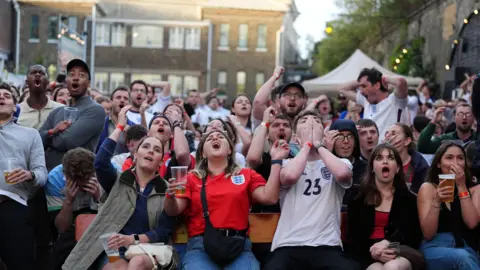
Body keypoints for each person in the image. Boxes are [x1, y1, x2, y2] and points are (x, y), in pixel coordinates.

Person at [163, 129, 289, 269]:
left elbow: (270, 198)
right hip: (201, 247)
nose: (215, 138)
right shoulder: (191, 178)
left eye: (220, 137)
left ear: (230, 150)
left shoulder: (247, 174)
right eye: (209, 138)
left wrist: (276, 160)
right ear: (203, 153)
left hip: (238, 246)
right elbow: (173, 210)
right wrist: (170, 196)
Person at [264, 110, 360, 270]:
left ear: (324, 133)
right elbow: (289, 177)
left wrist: (319, 145)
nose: (310, 124)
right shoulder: (286, 163)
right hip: (288, 245)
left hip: (327, 245)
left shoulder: (340, 161)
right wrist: (307, 145)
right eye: (304, 121)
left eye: (316, 121)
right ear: (295, 137)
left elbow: (343, 174)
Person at [64, 136, 176, 270]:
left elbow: (163, 231)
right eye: (146, 147)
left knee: (137, 263)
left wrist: (132, 239)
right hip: (114, 251)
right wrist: (120, 126)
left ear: (161, 162)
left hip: (148, 249)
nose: (150, 151)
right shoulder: (117, 180)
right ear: (135, 155)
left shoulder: (166, 190)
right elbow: (100, 163)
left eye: (157, 150)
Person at [347, 143, 423, 270]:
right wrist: (376, 252)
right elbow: (355, 238)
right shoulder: (358, 196)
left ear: (398, 168)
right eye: (379, 158)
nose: (385, 161)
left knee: (392, 267)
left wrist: (389, 246)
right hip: (368, 254)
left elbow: (412, 237)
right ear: (372, 166)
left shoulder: (408, 198)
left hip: (400, 252)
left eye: (391, 158)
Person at [0, 84, 48, 270]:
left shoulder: (30, 135)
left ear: (15, 107)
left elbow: (42, 175)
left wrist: (30, 174)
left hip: (14, 208)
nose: (1, 97)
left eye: (7, 96)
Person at [417, 141, 480, 270]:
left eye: (460, 158)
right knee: (462, 257)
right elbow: (428, 234)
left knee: (465, 256)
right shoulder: (428, 188)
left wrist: (461, 186)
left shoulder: (475, 189)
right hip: (435, 246)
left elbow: (472, 222)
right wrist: (437, 201)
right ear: (439, 163)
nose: (455, 163)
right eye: (449, 157)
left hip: (464, 245)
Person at [39, 59, 106, 171]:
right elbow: (37, 140)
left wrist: (48, 139)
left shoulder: (95, 110)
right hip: (48, 178)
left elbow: (68, 141)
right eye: (71, 74)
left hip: (76, 180)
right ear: (66, 81)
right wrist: (52, 132)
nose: (75, 77)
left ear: (88, 82)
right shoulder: (57, 111)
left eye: (81, 75)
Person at [45, 148, 102, 270]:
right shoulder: (55, 179)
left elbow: (116, 217)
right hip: (71, 229)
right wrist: (68, 201)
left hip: (99, 225)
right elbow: (61, 228)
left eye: (86, 180)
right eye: (77, 182)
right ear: (65, 175)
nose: (82, 185)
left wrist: (99, 197)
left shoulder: (107, 172)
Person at [339, 67, 409, 142]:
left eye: (364, 86)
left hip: (393, 152)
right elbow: (342, 89)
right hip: (373, 153)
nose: (361, 91)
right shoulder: (366, 102)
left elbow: (401, 81)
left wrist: (383, 78)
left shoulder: (395, 101)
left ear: (377, 85)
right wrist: (360, 82)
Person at [324, 119, 366, 206]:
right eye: (340, 136)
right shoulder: (322, 167)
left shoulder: (367, 168)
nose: (346, 141)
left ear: (355, 142)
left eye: (350, 136)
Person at [384, 123, 428, 193]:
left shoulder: (420, 167)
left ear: (407, 141)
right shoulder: (380, 164)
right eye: (386, 134)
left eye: (393, 134)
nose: (388, 138)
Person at [17, 65, 64, 129]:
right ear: (27, 82)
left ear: (47, 82)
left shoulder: (60, 109)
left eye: (42, 73)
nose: (37, 75)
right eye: (33, 72)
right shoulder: (17, 111)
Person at [96, 87, 135, 155]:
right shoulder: (99, 124)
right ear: (111, 102)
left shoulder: (134, 127)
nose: (122, 100)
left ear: (129, 104)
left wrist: (131, 134)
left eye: (125, 98)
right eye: (118, 97)